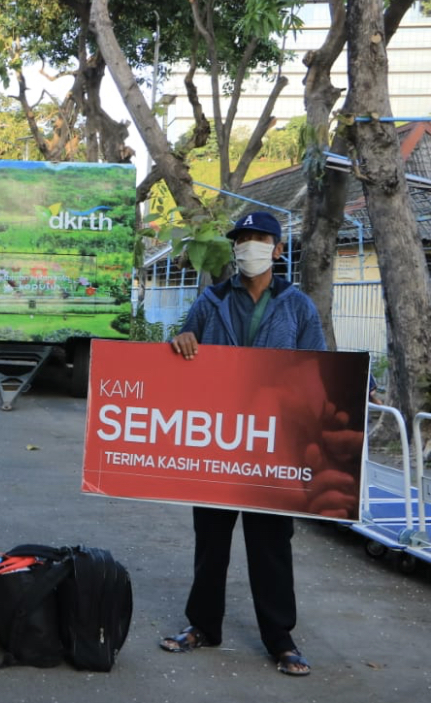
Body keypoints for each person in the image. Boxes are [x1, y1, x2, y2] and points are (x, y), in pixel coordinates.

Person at [160, 211, 326, 677]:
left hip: (271, 448)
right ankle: (202, 626)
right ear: (234, 248)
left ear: (277, 249)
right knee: (210, 540)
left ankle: (280, 639)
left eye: (260, 239)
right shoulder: (210, 302)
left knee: (271, 543)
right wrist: (183, 341)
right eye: (243, 239)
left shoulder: (298, 307)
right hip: (217, 444)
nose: (250, 245)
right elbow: (183, 351)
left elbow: (318, 368)